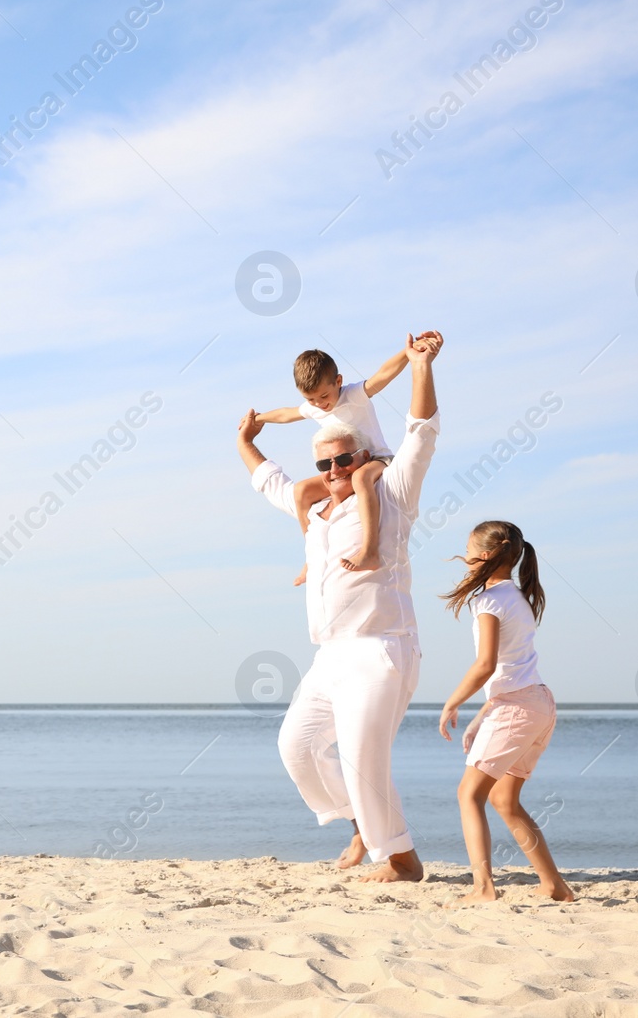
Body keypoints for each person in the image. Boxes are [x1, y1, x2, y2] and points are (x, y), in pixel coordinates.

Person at [237, 331, 442, 882]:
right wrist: (246, 442)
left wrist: (420, 365)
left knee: (360, 755)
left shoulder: (390, 496)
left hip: (382, 648)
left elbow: (420, 435)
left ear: (364, 457)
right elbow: (273, 483)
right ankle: (358, 823)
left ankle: (399, 860)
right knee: (297, 748)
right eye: (325, 465)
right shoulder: (320, 514)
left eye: (345, 461)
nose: (335, 472)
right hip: (329, 657)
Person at [437, 520, 574, 903]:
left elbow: (486, 665)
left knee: (469, 795)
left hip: (518, 708)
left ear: (482, 556)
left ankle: (483, 889)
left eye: (467, 551)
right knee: (504, 800)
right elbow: (510, 671)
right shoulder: (519, 598)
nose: (463, 559)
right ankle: (555, 886)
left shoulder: (490, 600)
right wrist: (482, 717)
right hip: (537, 704)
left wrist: (453, 701)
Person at [253, 342, 437, 580]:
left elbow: (382, 375)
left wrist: (407, 353)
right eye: (310, 399)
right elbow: (285, 414)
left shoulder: (353, 395)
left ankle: (369, 551)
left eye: (324, 396)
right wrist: (258, 418)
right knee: (301, 491)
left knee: (361, 478)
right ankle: (313, 556)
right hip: (341, 469)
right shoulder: (315, 408)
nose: (320, 404)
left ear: (338, 382)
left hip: (376, 460)